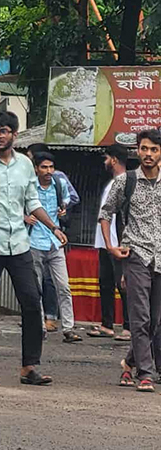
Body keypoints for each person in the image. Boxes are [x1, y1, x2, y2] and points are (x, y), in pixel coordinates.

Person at [0, 111, 61, 386]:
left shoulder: (26, 166)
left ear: (14, 135)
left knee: (31, 302)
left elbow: (32, 202)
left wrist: (53, 227)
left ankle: (29, 367)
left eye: (3, 130)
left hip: (18, 243)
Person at [101, 130, 161, 391]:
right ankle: (146, 374)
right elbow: (106, 214)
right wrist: (110, 246)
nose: (148, 154)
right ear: (137, 150)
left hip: (160, 259)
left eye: (154, 150)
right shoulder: (125, 181)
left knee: (155, 321)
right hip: (135, 255)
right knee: (140, 317)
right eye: (144, 149)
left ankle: (128, 362)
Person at [29, 151, 82, 344]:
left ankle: (68, 328)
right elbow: (15, 205)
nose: (48, 171)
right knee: (36, 288)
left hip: (55, 240)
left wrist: (63, 208)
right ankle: (39, 327)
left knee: (64, 286)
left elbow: (69, 199)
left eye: (51, 167)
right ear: (36, 168)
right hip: (33, 240)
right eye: (44, 167)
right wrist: (24, 217)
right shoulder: (29, 186)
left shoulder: (58, 184)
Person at [89, 144, 131, 340]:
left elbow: (124, 216)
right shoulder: (111, 183)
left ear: (113, 159)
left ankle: (129, 326)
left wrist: (119, 243)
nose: (105, 162)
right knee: (105, 284)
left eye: (106, 158)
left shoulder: (126, 182)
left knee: (123, 285)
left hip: (118, 242)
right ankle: (107, 324)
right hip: (104, 242)